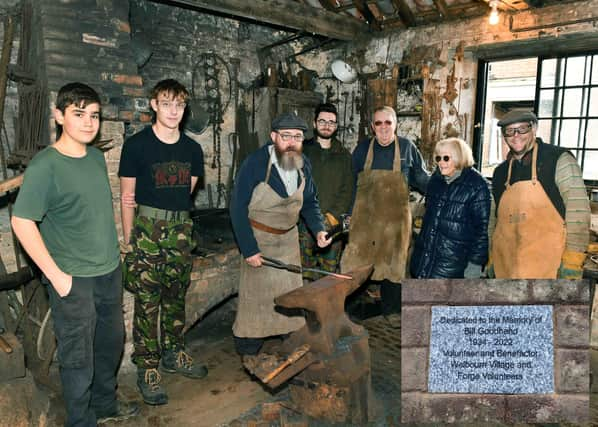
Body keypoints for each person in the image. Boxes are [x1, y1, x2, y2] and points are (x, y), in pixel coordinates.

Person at [11, 82, 139, 426]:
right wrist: (57, 277)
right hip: (73, 279)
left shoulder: (96, 157)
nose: (88, 122)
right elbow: (22, 221)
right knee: (78, 358)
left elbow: (93, 213)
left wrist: (116, 254)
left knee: (110, 345)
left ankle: (105, 405)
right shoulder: (45, 166)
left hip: (108, 271)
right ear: (59, 116)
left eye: (94, 115)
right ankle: (81, 421)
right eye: (79, 114)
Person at [119, 79, 207, 406]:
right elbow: (127, 197)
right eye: (167, 103)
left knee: (175, 297)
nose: (173, 111)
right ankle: (148, 367)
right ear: (154, 105)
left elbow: (186, 194)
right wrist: (130, 242)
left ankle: (174, 353)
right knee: (147, 302)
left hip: (181, 232)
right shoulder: (137, 146)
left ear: (185, 110)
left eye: (179, 105)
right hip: (146, 231)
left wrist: (177, 230)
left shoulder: (193, 150)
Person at [230, 112, 331, 356]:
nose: (291, 142)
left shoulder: (302, 163)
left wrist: (318, 229)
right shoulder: (255, 163)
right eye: (285, 136)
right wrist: (249, 248)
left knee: (291, 306)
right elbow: (236, 207)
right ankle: (248, 355)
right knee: (254, 309)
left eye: (297, 137)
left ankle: (292, 351)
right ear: (273, 136)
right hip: (259, 242)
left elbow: (309, 202)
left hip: (288, 243)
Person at [341, 106, 429, 326]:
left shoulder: (407, 148)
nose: (383, 128)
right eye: (378, 123)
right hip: (365, 219)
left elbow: (421, 178)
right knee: (356, 262)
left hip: (395, 221)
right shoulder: (362, 150)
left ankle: (392, 311)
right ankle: (350, 310)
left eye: (387, 123)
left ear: (395, 124)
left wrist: (444, 186)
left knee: (395, 265)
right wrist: (348, 215)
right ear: (372, 127)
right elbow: (350, 184)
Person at [489, 110, 591, 279]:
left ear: (534, 128)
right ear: (503, 135)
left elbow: (578, 213)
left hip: (548, 270)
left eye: (522, 129)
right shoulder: (500, 173)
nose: (516, 135)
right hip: (507, 268)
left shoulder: (558, 160)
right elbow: (494, 222)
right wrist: (491, 257)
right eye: (509, 131)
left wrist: (574, 260)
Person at [410, 138, 491, 278]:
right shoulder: (435, 181)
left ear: (459, 157)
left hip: (454, 266)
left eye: (446, 158)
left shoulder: (477, 186)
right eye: (438, 158)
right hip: (425, 261)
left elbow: (481, 232)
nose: (441, 162)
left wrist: (475, 266)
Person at [299, 103, 352, 281]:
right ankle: (305, 308)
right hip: (304, 225)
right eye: (322, 121)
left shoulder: (344, 156)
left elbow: (348, 190)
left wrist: (331, 217)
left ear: (336, 126)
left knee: (329, 274)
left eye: (331, 122)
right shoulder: (302, 151)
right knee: (304, 272)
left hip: (333, 225)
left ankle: (326, 308)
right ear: (314, 124)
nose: (326, 125)